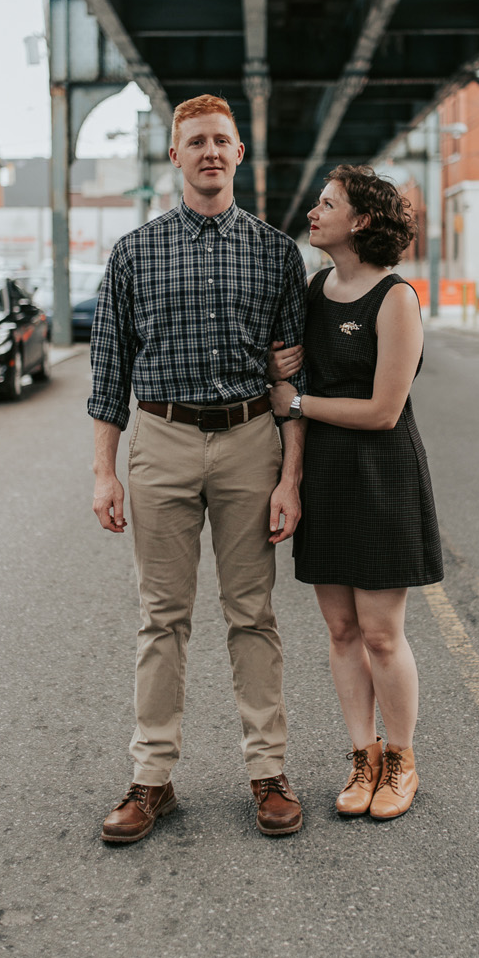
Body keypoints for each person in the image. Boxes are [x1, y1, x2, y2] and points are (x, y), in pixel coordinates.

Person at [89, 94, 308, 844]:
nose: (209, 152)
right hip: (161, 439)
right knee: (162, 617)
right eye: (195, 142)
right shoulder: (133, 253)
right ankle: (151, 779)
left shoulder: (278, 255)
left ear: (238, 154)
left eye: (221, 140)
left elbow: (290, 384)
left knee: (253, 614)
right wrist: (103, 472)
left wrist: (290, 477)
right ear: (175, 157)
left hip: (251, 440)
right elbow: (108, 369)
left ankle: (268, 772)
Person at [269, 164, 443, 820]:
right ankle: (360, 757)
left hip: (381, 477)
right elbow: (290, 387)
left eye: (327, 204)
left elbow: (381, 411)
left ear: (361, 220)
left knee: (379, 633)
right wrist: (280, 377)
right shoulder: (315, 291)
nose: (313, 214)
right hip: (326, 477)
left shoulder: (396, 298)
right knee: (340, 630)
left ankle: (401, 759)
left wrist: (301, 401)